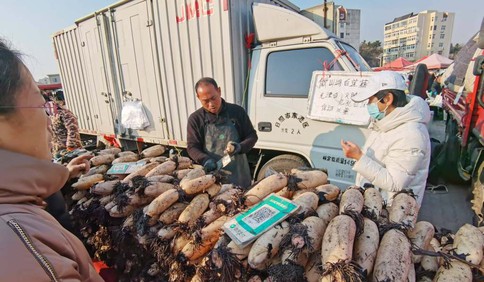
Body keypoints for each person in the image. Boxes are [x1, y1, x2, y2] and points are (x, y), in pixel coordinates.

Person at [0, 39, 103, 281]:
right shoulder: (18, 242)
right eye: (39, 104)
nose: (48, 119)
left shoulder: (21, 207)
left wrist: (64, 173)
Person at [341, 71, 431, 206]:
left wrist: (359, 157)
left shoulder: (411, 135)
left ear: (388, 99)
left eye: (371, 100)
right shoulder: (386, 122)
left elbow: (395, 183)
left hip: (392, 212)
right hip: (375, 202)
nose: (368, 105)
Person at [187, 77, 258, 189]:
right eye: (205, 101)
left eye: (213, 98)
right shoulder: (196, 119)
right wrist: (205, 159)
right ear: (198, 97)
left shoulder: (237, 112)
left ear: (219, 91)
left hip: (239, 175)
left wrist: (239, 147)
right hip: (213, 180)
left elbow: (252, 136)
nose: (211, 104)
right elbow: (192, 146)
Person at [50, 90, 83, 157]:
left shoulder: (65, 113)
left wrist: (71, 145)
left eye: (56, 101)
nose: (54, 103)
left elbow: (72, 129)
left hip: (68, 150)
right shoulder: (53, 115)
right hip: (58, 149)